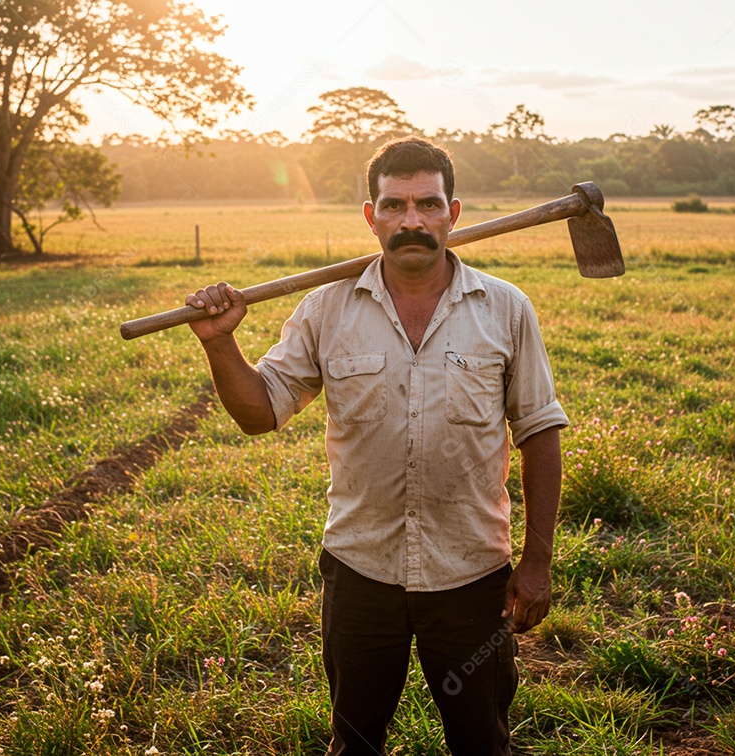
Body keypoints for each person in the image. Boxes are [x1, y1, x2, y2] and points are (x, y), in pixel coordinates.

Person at [185, 135, 567, 755]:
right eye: (394, 206)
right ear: (371, 216)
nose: (411, 221)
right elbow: (259, 412)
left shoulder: (505, 310)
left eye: (427, 204)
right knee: (355, 741)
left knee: (481, 740)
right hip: (361, 573)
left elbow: (540, 432)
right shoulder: (325, 311)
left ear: (454, 212)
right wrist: (217, 342)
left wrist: (537, 561)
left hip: (472, 574)